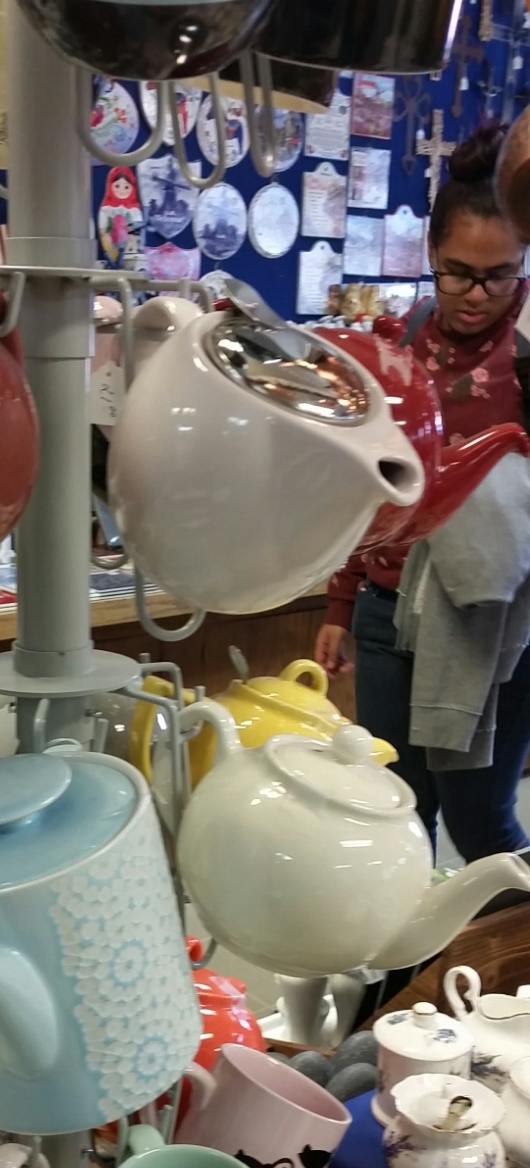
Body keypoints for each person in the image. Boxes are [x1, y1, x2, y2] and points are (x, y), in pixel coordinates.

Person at [315, 123, 530, 863]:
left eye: (500, 275)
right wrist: (340, 605)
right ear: (431, 254)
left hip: (489, 626)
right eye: (458, 272)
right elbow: (366, 483)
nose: (477, 295)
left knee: (480, 824)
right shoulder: (398, 345)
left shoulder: (527, 356)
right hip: (385, 610)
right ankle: (415, 945)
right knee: (397, 812)